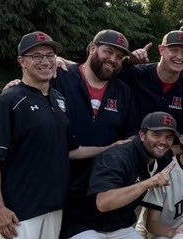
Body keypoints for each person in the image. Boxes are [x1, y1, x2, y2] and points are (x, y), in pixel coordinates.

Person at [0, 31, 79, 238]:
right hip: (20, 212)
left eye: (50, 55)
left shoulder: (59, 99)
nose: (45, 61)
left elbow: (69, 151)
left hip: (54, 207)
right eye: (37, 56)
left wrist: (111, 147)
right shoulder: (8, 101)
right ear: (22, 61)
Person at [55, 30, 141, 239]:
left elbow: (132, 135)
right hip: (57, 181)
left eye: (119, 57)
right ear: (92, 48)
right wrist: (16, 84)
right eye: (108, 52)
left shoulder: (122, 91)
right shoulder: (60, 77)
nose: (113, 59)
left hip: (99, 185)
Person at [78, 111, 178, 238]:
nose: (163, 141)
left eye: (169, 137)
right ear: (142, 135)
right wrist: (149, 183)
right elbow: (103, 203)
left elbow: (180, 149)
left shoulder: (161, 156)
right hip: (85, 225)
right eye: (156, 135)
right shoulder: (117, 156)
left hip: (119, 227)